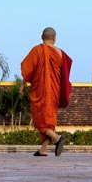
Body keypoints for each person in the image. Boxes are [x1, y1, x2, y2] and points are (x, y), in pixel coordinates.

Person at [20, 27, 72, 156]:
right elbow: (64, 75)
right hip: (54, 91)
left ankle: (57, 138)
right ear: (54, 39)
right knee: (49, 120)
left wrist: (22, 85)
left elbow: (28, 70)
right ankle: (43, 149)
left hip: (41, 91)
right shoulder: (60, 53)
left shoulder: (37, 50)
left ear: (41, 37)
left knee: (40, 121)